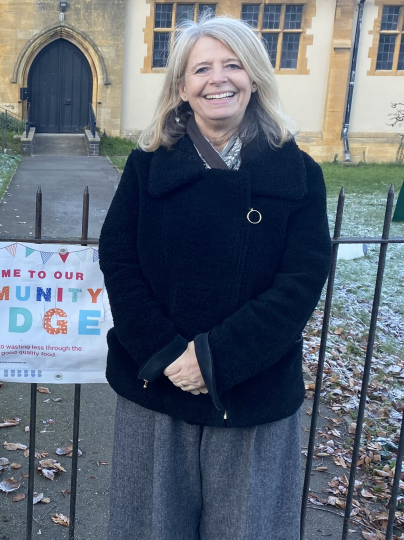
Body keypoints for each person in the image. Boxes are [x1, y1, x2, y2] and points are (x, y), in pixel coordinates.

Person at [100, 16, 331, 540]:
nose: (217, 79)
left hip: (252, 391)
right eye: (200, 68)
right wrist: (166, 354)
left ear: (254, 77)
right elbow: (119, 260)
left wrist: (215, 359)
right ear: (181, 87)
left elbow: (300, 281)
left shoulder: (298, 176)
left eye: (232, 65)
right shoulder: (147, 166)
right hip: (158, 384)